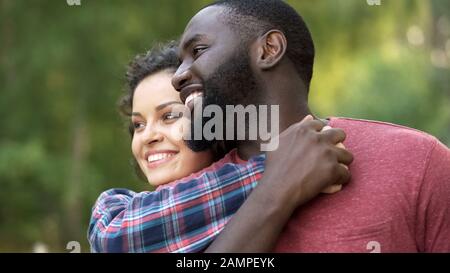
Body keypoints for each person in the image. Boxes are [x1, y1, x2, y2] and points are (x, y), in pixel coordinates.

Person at [169, 0, 450, 252]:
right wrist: (276, 189)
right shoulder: (185, 203)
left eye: (198, 50)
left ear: (269, 49)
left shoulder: (416, 161)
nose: (177, 77)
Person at [88, 42, 352, 252]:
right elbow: (115, 239)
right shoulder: (114, 211)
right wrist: (283, 168)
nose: (148, 136)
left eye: (169, 116)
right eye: (138, 124)